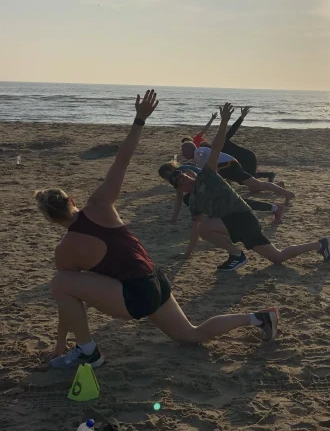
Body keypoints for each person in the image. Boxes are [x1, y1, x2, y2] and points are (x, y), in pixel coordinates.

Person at [34, 90, 279, 370]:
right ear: (72, 200)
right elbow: (122, 161)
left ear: (50, 220)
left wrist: (58, 343)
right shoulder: (100, 205)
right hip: (155, 280)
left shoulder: (65, 251)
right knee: (191, 334)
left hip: (135, 296)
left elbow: (67, 300)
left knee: (61, 282)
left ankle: (88, 352)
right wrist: (139, 119)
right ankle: (257, 317)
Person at [166, 102, 330, 271]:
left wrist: (224, 121)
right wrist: (187, 254)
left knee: (205, 226)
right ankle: (320, 245)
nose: (186, 179)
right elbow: (195, 230)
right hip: (235, 225)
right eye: (182, 182)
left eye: (185, 176)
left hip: (243, 218)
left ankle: (236, 255)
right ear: (181, 189)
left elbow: (216, 147)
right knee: (277, 257)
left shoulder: (206, 176)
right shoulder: (194, 201)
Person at [159, 162, 287, 224]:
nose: (167, 177)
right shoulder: (176, 180)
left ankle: (275, 208)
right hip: (208, 191)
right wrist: (174, 219)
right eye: (165, 177)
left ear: (172, 169)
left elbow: (197, 178)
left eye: (167, 174)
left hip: (212, 186)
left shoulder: (182, 171)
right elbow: (179, 199)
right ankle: (274, 208)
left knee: (239, 203)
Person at [179, 139, 293, 202]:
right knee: (254, 186)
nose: (183, 155)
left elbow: (202, 159)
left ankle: (287, 193)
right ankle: (281, 188)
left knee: (256, 185)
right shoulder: (198, 157)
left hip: (229, 166)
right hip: (226, 167)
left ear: (190, 149)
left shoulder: (199, 151)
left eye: (184, 152)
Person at [187, 107, 277, 182]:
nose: (207, 148)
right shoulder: (214, 154)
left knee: (247, 179)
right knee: (245, 178)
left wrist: (241, 117)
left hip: (248, 157)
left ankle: (270, 177)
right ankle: (269, 175)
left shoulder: (221, 143)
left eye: (206, 146)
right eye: (204, 148)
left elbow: (232, 131)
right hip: (240, 160)